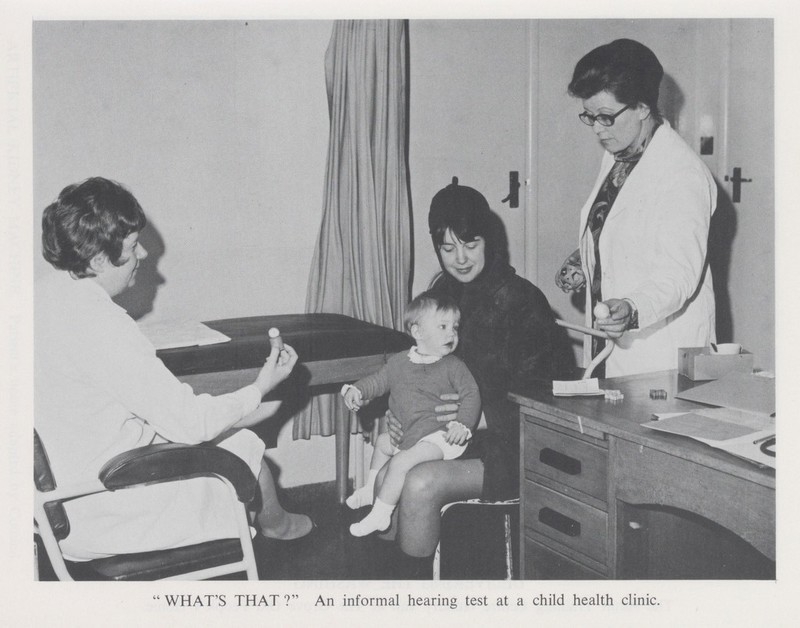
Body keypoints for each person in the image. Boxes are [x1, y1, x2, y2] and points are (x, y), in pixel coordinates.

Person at [34, 177, 313, 561]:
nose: (144, 255)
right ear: (99, 260)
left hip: (51, 501)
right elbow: (190, 425)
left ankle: (274, 520)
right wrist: (260, 387)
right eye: (133, 247)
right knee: (244, 451)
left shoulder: (43, 296)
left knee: (236, 439)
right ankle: (276, 525)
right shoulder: (102, 323)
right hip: (106, 507)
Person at [383, 178, 564, 575]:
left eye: (471, 244)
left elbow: (549, 402)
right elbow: (415, 368)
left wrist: (476, 416)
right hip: (450, 438)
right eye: (448, 248)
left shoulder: (523, 301)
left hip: (514, 444)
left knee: (419, 483)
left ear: (489, 241)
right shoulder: (442, 294)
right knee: (386, 476)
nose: (460, 258)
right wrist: (398, 413)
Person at [555, 38, 717, 377]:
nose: (597, 128)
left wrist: (632, 308)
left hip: (657, 354)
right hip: (612, 346)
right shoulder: (621, 152)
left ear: (643, 107)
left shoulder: (682, 175)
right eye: (589, 116)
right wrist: (585, 257)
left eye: (606, 116)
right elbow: (625, 222)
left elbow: (678, 274)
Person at [341, 292, 480, 537]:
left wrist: (463, 424)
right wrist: (357, 389)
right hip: (412, 434)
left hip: (441, 438)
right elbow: (378, 381)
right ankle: (369, 489)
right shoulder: (399, 362)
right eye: (443, 326)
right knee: (383, 442)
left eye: (455, 328)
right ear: (417, 332)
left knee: (401, 462)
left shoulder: (454, 366)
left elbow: (471, 395)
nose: (451, 334)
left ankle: (380, 514)